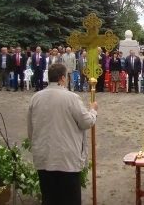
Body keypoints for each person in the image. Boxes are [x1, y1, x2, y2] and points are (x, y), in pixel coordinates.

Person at [27, 63, 98, 205]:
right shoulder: (71, 98)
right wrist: (93, 110)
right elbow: (86, 122)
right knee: (69, 199)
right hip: (66, 158)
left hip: (44, 156)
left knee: (49, 198)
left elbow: (31, 129)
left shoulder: (36, 97)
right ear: (63, 78)